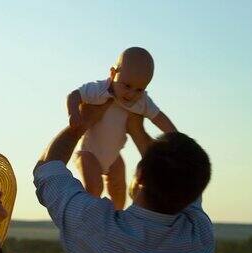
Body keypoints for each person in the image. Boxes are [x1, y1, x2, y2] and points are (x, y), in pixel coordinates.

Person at [34, 103, 214, 253]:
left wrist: (79, 126)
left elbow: (47, 168)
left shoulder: (93, 227)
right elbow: (185, 173)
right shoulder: (199, 240)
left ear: (139, 175)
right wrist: (137, 130)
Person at [67, 47, 177, 209]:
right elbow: (75, 95)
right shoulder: (100, 90)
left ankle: (117, 216)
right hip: (89, 153)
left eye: (139, 89)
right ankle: (90, 214)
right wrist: (74, 113)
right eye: (127, 86)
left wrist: (175, 137)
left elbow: (159, 117)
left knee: (119, 189)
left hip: (114, 157)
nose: (131, 94)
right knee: (94, 189)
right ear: (113, 74)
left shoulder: (142, 102)